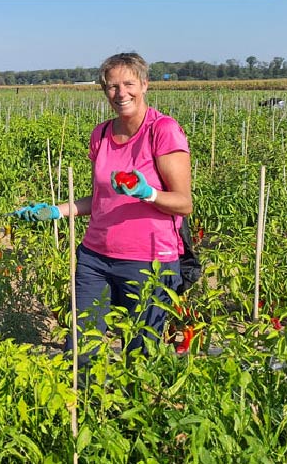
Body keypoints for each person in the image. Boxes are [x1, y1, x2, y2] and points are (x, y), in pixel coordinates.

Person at [12, 53, 192, 362]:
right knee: (80, 349)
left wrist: (147, 193)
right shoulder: (102, 134)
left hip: (148, 262)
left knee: (140, 353)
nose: (121, 94)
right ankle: (82, 406)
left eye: (129, 84)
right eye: (112, 86)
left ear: (145, 85)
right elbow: (100, 200)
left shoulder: (162, 130)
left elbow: (183, 203)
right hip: (95, 258)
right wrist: (57, 211)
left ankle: (135, 405)